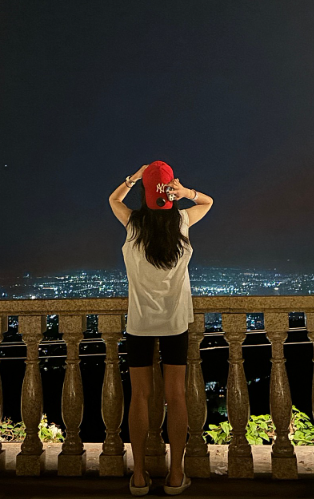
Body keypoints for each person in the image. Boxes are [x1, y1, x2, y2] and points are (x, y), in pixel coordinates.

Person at [109, 161, 214, 496]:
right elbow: (208, 202)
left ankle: (139, 475)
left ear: (145, 192)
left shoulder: (133, 224)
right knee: (176, 395)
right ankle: (176, 474)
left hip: (139, 323)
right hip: (175, 323)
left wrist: (134, 177)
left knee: (140, 396)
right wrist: (186, 193)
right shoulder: (181, 221)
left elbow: (113, 200)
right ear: (170, 192)